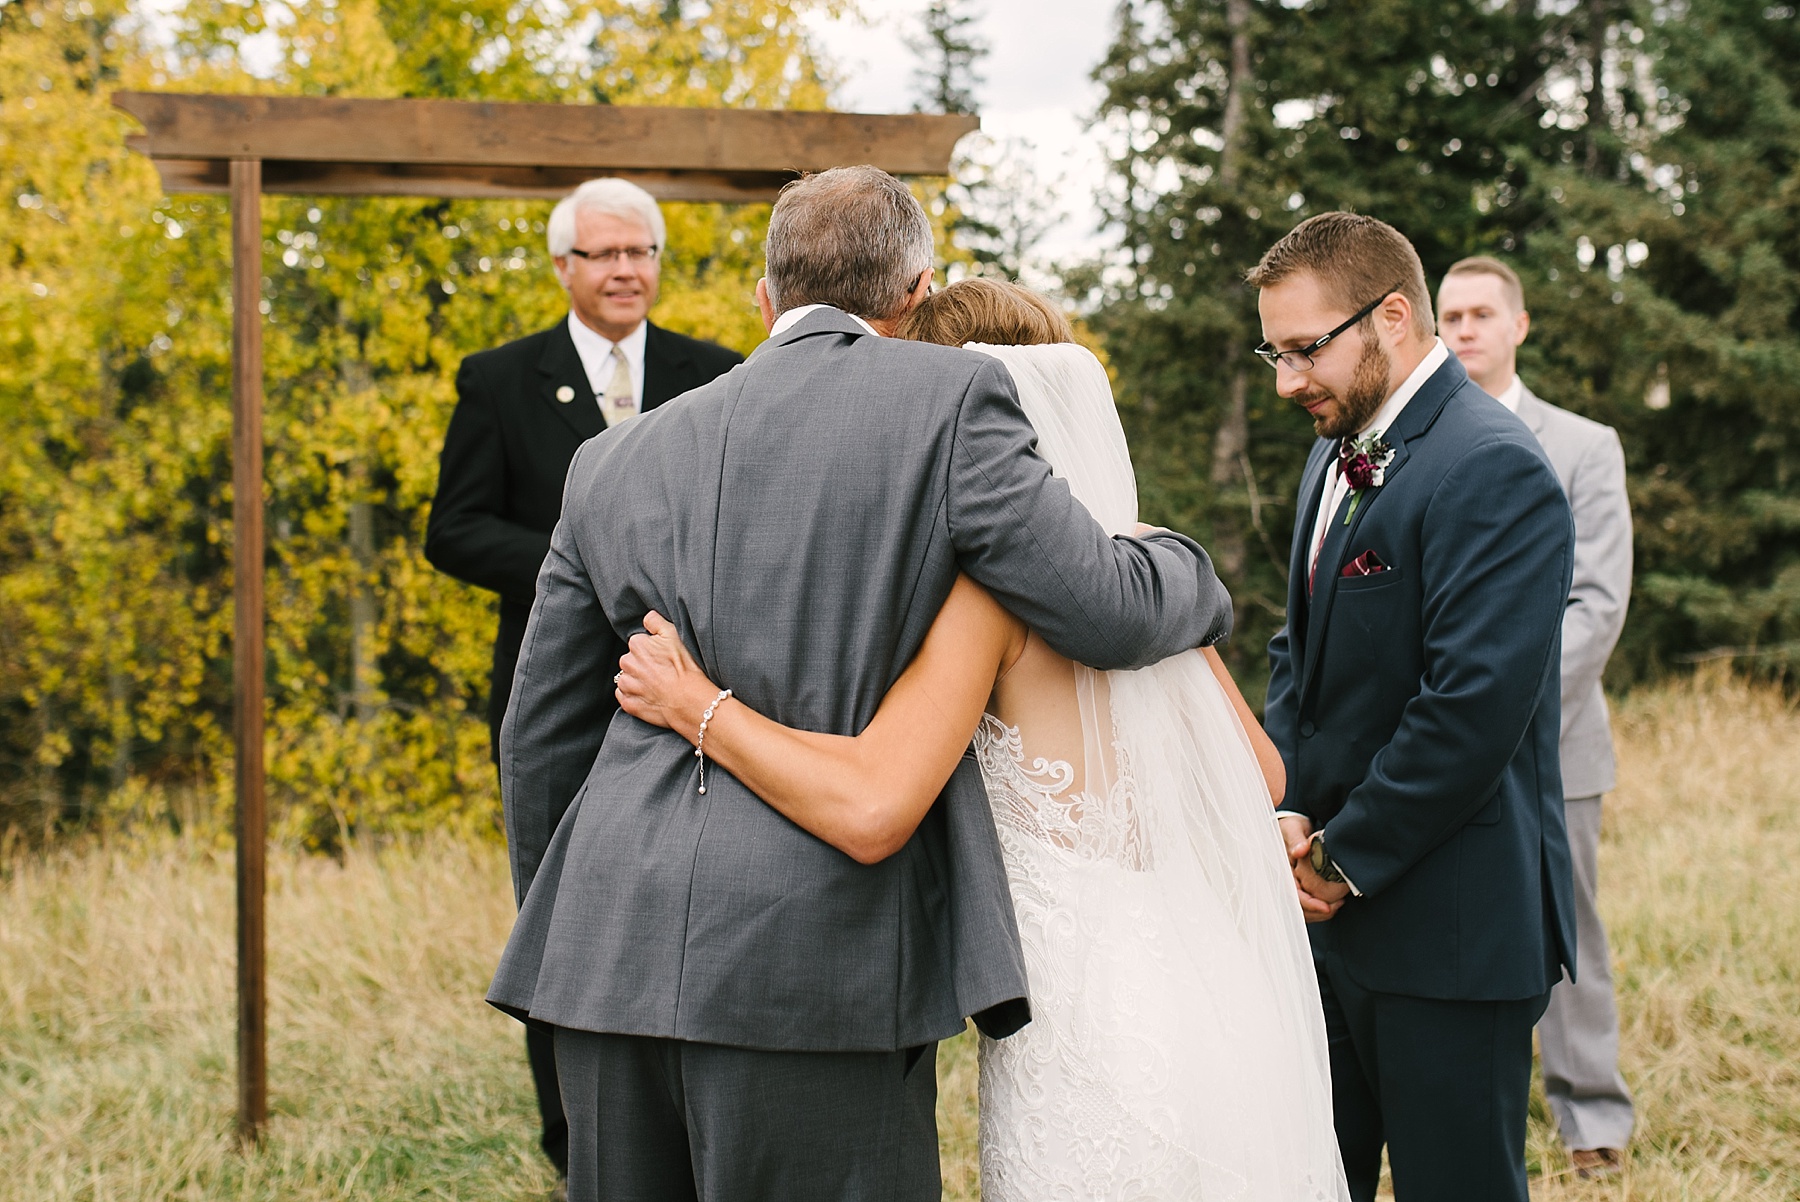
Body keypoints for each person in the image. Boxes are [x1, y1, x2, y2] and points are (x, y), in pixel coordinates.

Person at [486, 168, 1234, 1201]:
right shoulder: (956, 399)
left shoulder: (612, 458)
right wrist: (1192, 567)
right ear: (917, 292)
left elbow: (540, 740)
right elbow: (1100, 607)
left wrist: (577, 918)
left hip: (602, 949)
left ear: (766, 297)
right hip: (817, 965)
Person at [612, 277, 1350, 1201]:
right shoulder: (1145, 557)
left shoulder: (983, 600)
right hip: (1208, 997)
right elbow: (1260, 772)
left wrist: (698, 707)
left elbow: (873, 798)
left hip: (1087, 1036)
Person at [423, 177, 742, 1188]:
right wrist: (581, 563)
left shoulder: (717, 373)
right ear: (564, 266)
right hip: (556, 697)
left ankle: (686, 1123)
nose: (625, 271)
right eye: (604, 254)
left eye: (640, 252)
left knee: (692, 900)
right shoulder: (500, 378)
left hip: (694, 692)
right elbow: (454, 527)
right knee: (559, 912)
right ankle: (577, 1143)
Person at [1256, 213, 1578, 1202]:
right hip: (1327, 915)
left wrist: (1346, 856)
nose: (1286, 380)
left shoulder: (1496, 465)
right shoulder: (1334, 447)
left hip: (1451, 926)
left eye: (1305, 348)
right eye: (1273, 351)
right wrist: (1285, 802)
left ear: (1391, 316)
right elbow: (1296, 653)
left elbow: (1470, 707)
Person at [1439, 255, 1635, 1179]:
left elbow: (1596, 605)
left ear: (1519, 325)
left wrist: (1499, 712)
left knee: (1571, 927)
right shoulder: (1412, 441)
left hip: (1556, 742)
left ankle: (1591, 1113)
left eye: (1482, 313)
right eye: (1450, 314)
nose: (1465, 328)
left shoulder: (1584, 445)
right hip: (1440, 747)